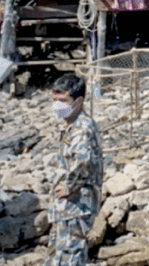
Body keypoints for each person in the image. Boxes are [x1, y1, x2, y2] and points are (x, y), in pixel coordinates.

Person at [47, 74, 103, 266]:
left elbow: (82, 161)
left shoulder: (82, 128)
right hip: (67, 207)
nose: (57, 106)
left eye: (63, 101)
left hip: (77, 205)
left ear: (78, 101)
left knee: (70, 257)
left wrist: (69, 186)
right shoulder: (72, 125)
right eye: (55, 100)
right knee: (58, 254)